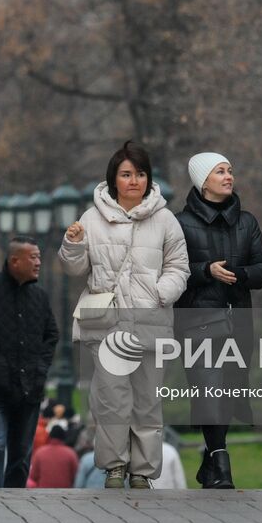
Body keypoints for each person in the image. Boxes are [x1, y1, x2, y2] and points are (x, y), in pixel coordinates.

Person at [59, 140, 189, 490]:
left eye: (140, 174)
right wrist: (72, 243)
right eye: (126, 174)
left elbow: (179, 266)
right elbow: (75, 268)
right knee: (111, 400)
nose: (134, 180)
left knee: (148, 402)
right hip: (106, 325)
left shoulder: (165, 220)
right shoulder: (91, 217)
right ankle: (114, 467)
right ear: (113, 179)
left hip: (151, 321)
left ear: (148, 179)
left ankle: (142, 472)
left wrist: (161, 294)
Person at [174, 151, 262, 489]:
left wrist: (239, 274)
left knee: (228, 390)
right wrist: (205, 270)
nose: (228, 176)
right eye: (219, 171)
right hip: (196, 320)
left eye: (230, 170)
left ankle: (210, 460)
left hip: (238, 320)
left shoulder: (247, 222)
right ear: (203, 181)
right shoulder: (180, 223)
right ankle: (222, 462)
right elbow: (172, 271)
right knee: (209, 387)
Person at [0, 236, 60, 487]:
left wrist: (40, 369)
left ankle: (14, 504)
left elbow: (51, 335)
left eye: (39, 257)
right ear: (15, 261)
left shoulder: (40, 297)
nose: (38, 263)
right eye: (32, 257)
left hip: (29, 390)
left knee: (21, 456)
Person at [28, 422, 80, 488]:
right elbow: (76, 476)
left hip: (43, 492)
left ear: (49, 436)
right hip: (64, 493)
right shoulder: (71, 454)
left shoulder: (40, 452)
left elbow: (33, 476)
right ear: (63, 437)